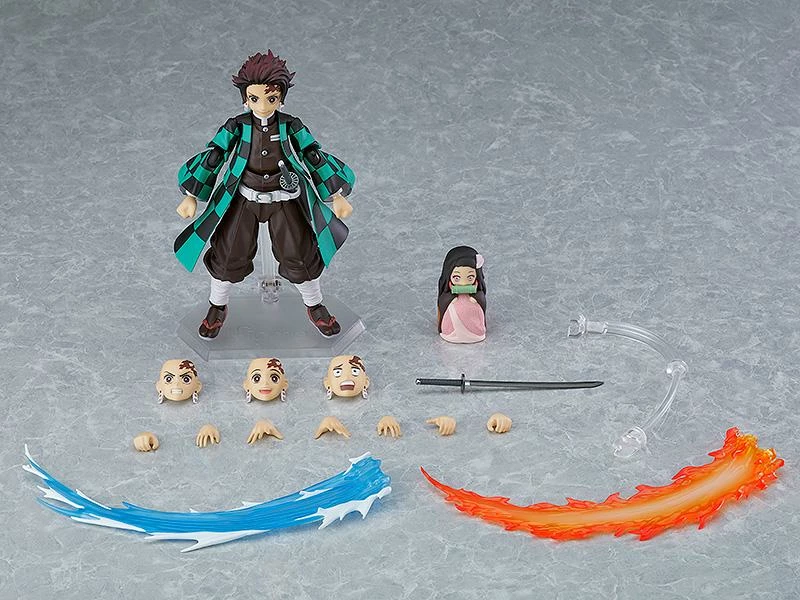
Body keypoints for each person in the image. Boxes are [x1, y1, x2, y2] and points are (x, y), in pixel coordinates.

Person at [174, 51, 356, 338]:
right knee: (228, 253)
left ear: (281, 98)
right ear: (245, 99)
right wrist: (191, 194)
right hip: (243, 199)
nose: (262, 105)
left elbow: (313, 155)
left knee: (300, 254)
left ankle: (314, 304)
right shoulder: (237, 126)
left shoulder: (290, 125)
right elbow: (214, 156)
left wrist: (336, 194)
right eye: (254, 98)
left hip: (284, 199)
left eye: (271, 98)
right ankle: (217, 305)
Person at [436, 246, 487, 343]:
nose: (463, 283)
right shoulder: (448, 292)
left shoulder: (477, 292)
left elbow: (482, 300)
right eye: (457, 277)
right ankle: (451, 333)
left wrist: (476, 299)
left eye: (470, 277)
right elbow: (443, 302)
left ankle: (475, 333)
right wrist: (450, 300)